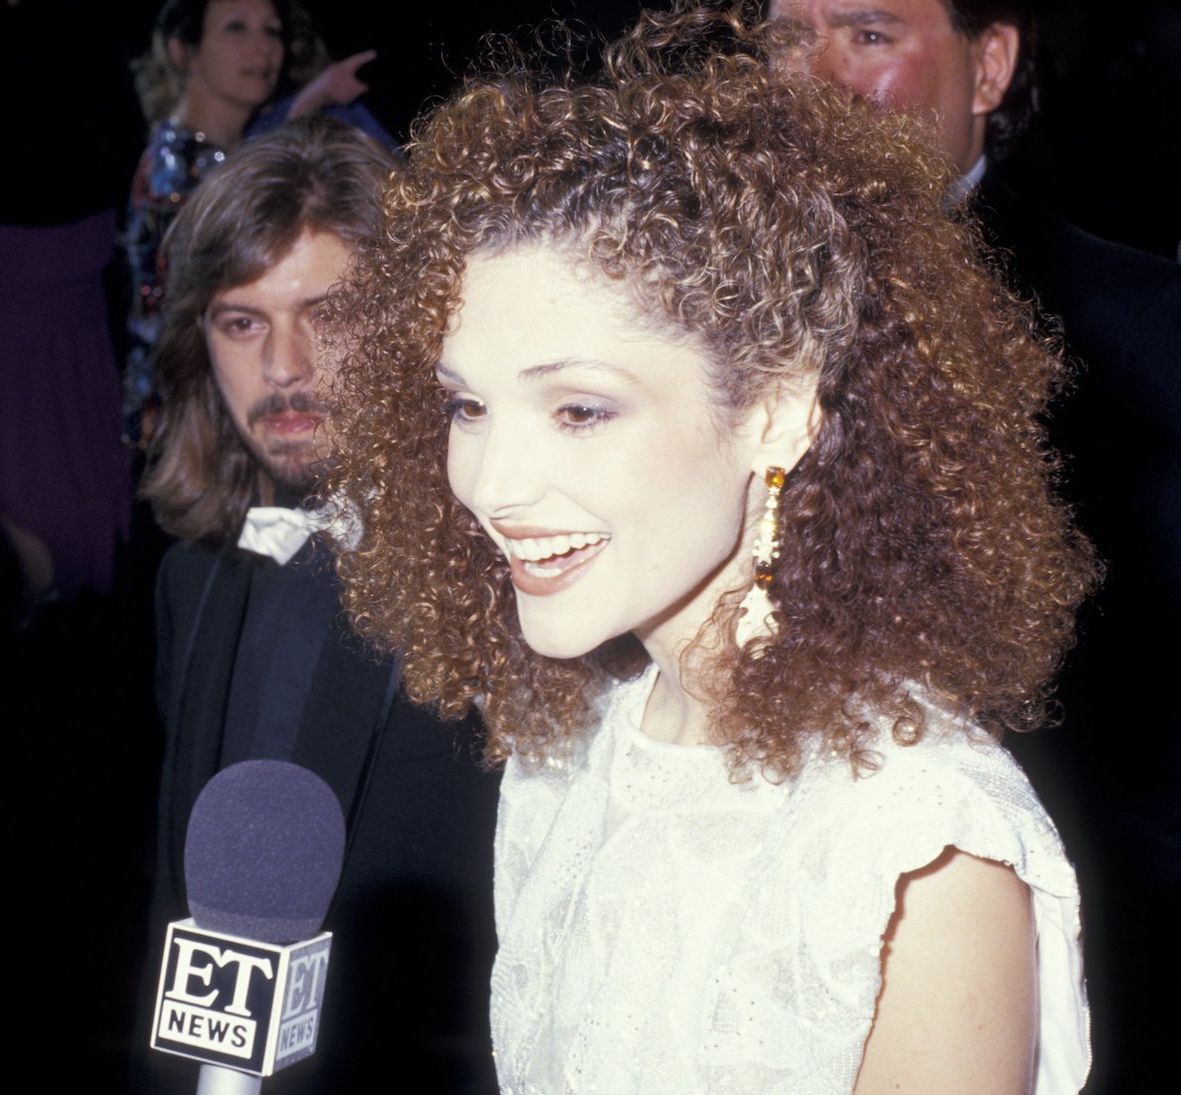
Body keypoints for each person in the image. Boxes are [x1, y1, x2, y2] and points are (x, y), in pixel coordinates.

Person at [328, 5, 1098, 1091]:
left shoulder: (919, 851)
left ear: (778, 412)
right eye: (468, 407)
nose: (491, 487)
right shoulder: (572, 755)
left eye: (580, 410)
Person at [769, 4, 1181, 1089]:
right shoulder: (687, 306)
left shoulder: (1135, 328)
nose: (811, 79)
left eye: (867, 35)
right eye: (784, 37)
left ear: (988, 65)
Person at [135, 117, 500, 1094]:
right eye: (242, 323)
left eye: (328, 315)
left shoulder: (507, 580)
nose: (284, 367)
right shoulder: (188, 582)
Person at [124, 0, 389, 446]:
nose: (262, 48)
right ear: (183, 52)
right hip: (200, 427)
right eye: (236, 28)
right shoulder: (176, 169)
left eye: (271, 30)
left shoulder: (231, 148)